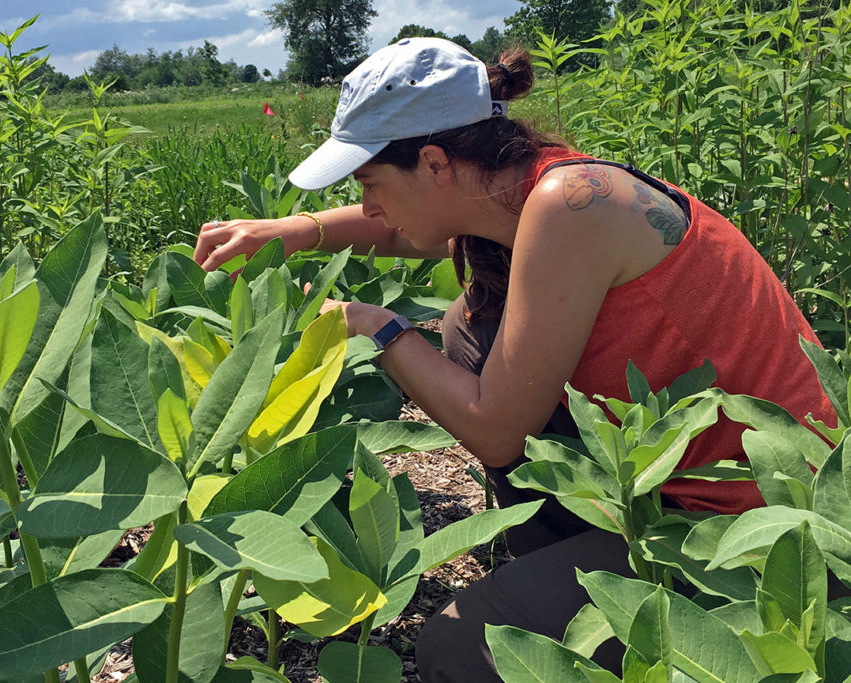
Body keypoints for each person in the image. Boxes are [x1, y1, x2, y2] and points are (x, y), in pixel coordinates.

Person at [193, 37, 836, 681]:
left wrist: (378, 328)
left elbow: (498, 433)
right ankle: (560, 552)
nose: (366, 205)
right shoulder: (525, 184)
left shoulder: (571, 209)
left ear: (438, 163)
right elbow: (406, 227)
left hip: (769, 519)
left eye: (370, 183)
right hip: (682, 466)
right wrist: (296, 230)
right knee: (466, 331)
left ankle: (607, 601)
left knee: (460, 651)